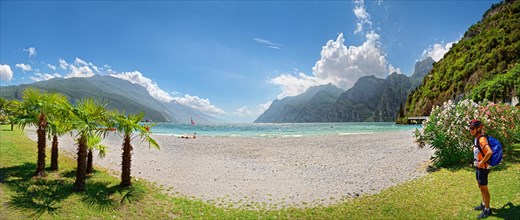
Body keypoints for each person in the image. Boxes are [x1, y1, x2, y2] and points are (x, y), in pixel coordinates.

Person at [469, 119, 493, 219]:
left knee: (484, 188)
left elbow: (489, 152)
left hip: (482, 167)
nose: (471, 130)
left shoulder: (481, 139)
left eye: (473, 128)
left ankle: (487, 210)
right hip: (478, 166)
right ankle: (483, 204)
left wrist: (481, 162)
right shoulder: (476, 137)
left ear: (479, 128)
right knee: (480, 186)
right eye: (470, 128)